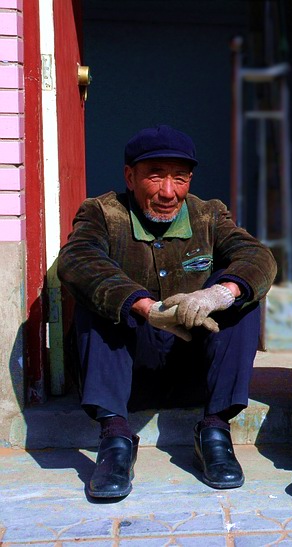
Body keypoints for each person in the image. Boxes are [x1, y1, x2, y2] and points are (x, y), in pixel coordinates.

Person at [57, 125, 277, 499]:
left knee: (240, 293)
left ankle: (214, 429)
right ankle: (114, 439)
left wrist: (217, 295)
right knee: (100, 296)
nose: (168, 192)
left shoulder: (210, 214)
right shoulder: (101, 213)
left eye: (180, 178)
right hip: (128, 377)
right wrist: (144, 307)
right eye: (155, 176)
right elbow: (78, 259)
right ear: (130, 176)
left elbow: (258, 257)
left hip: (193, 371)